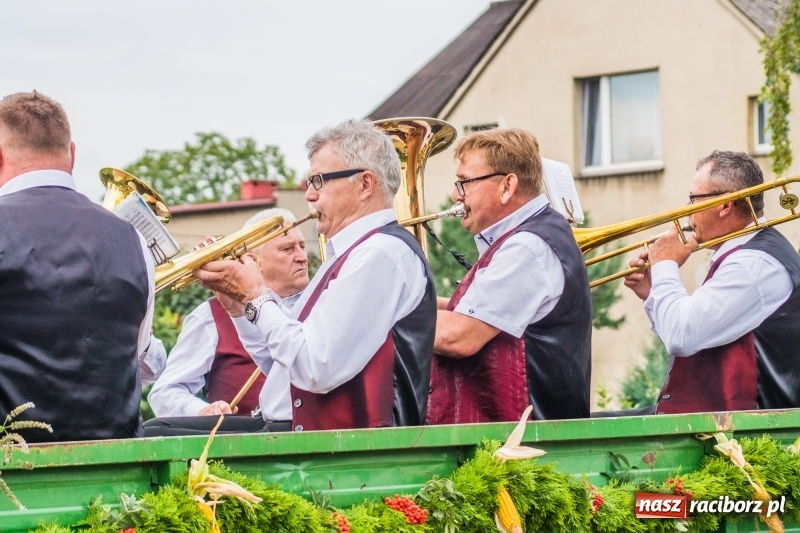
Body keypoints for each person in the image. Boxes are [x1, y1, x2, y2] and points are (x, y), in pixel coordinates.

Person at [193, 119, 436, 432]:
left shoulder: (379, 254)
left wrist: (257, 296)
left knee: (157, 440)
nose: (309, 195)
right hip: (304, 432)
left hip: (339, 448)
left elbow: (315, 368)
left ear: (364, 184)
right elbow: (285, 366)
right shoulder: (351, 253)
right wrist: (238, 307)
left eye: (318, 181)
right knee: (158, 430)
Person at [0, 90, 164, 442]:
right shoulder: (133, 238)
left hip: (12, 471)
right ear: (72, 154)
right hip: (118, 470)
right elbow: (139, 359)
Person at [426, 127, 593, 425]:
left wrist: (381, 315)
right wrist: (409, 302)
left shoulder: (527, 247)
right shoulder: (528, 238)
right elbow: (464, 314)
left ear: (507, 186)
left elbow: (459, 336)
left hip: (527, 442)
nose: (455, 194)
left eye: (465, 182)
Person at [623, 150, 800, 414]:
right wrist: (654, 293)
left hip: (743, 429)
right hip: (716, 417)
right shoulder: (744, 255)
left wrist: (665, 265)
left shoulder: (752, 264)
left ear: (725, 205)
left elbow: (682, 337)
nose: (686, 210)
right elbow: (694, 337)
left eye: (694, 199)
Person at [144, 208, 309, 435]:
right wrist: (202, 411)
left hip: (312, 434)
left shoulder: (320, 302)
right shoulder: (210, 315)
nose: (302, 256)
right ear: (252, 259)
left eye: (302, 245)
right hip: (236, 452)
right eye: (287, 248)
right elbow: (165, 391)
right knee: (154, 430)